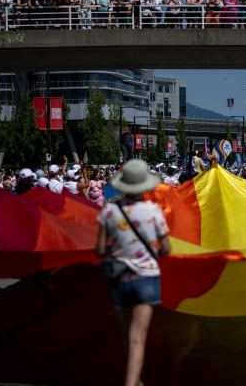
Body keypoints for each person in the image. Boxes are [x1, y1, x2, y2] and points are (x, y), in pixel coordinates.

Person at [96, 159, 171, 386]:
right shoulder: (153, 211)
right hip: (146, 278)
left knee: (128, 336)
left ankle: (136, 380)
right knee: (137, 338)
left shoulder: (109, 211)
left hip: (119, 278)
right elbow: (166, 248)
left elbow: (99, 250)